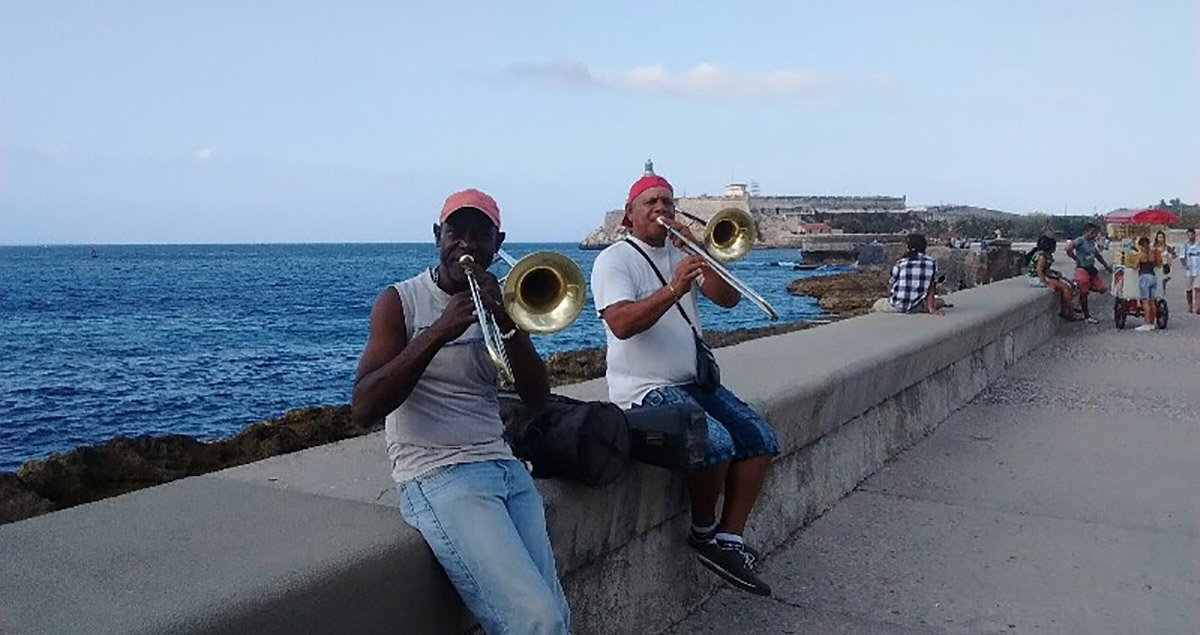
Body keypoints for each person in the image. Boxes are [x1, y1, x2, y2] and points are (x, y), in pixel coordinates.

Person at [351, 189, 570, 634]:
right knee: (538, 621)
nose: (466, 244)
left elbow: (536, 397)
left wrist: (506, 320)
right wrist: (439, 331)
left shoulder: (503, 300)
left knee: (555, 616)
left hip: (505, 467)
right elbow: (364, 407)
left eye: (480, 235)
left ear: (498, 243)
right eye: (456, 233)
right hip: (437, 474)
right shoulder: (400, 301)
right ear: (438, 235)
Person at [590, 171, 781, 597]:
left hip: (694, 381)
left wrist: (702, 256)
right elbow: (621, 323)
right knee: (715, 442)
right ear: (629, 215)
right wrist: (675, 287)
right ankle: (703, 532)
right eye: (651, 203)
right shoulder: (614, 260)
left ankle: (729, 541)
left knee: (761, 439)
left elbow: (728, 299)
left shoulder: (683, 253)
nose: (661, 209)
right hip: (644, 389)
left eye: (668, 203)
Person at [1064, 223, 1113, 324]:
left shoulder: (1092, 243)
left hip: (1091, 269)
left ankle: (1082, 289)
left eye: (1095, 233)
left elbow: (1097, 255)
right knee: (1084, 293)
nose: (1094, 235)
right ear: (1086, 232)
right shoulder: (1080, 240)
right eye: (1092, 233)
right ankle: (1087, 316)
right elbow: (1068, 248)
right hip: (1082, 268)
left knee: (1102, 289)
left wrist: (1106, 266)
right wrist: (1075, 258)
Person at [888, 234, 944, 314]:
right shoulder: (931, 263)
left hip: (897, 305)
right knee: (941, 302)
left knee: (878, 304)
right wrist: (931, 308)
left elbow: (891, 283)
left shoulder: (901, 262)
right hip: (917, 305)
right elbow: (931, 288)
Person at [1026, 236, 1077, 320]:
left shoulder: (1043, 254)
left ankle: (1065, 310)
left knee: (1065, 285)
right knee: (1066, 288)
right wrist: (1046, 283)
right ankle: (1070, 311)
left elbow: (1044, 269)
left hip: (1039, 276)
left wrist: (1054, 273)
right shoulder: (1042, 256)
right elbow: (1039, 270)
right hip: (1037, 278)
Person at [1133, 236, 1162, 332]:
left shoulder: (1141, 255)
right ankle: (1152, 323)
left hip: (1144, 277)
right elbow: (1158, 264)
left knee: (1145, 302)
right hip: (1152, 277)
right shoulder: (1153, 254)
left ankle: (1146, 323)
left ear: (1141, 246)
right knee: (1152, 302)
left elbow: (1135, 266)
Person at [1181, 228, 1200, 313]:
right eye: (1189, 235)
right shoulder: (1185, 246)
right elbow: (1182, 257)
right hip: (1189, 271)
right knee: (1189, 289)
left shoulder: (1198, 245)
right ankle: (1190, 305)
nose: (1191, 237)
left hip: (1198, 270)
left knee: (1198, 288)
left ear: (1194, 235)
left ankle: (1198, 306)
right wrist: (1185, 265)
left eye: (1192, 235)